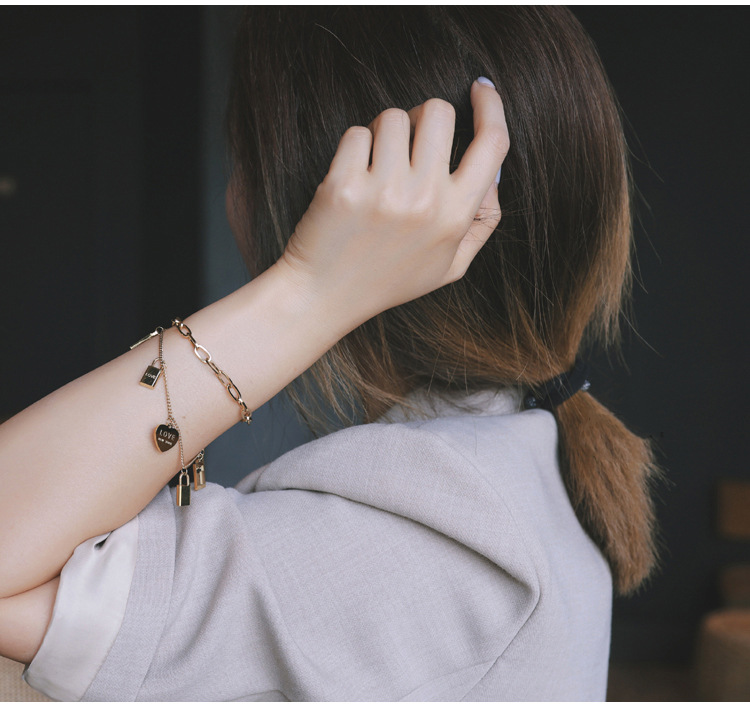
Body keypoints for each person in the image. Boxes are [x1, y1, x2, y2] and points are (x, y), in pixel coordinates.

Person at [0, 7, 660, 701]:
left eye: (241, 158)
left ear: (317, 207)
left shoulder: (438, 533)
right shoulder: (510, 464)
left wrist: (308, 291)